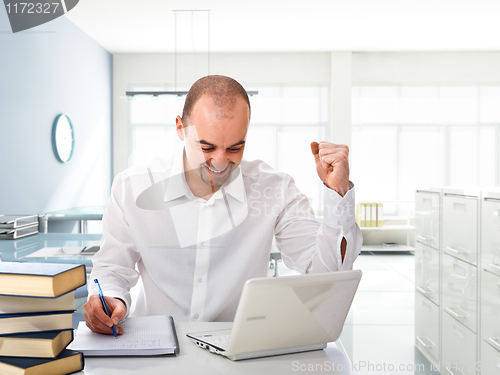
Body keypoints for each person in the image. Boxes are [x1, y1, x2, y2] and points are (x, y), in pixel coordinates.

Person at [84, 75, 362, 335]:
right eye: (206, 147)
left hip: (238, 351)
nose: (219, 162)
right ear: (181, 128)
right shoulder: (132, 187)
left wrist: (337, 191)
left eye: (234, 148)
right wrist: (109, 298)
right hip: (155, 350)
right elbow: (112, 269)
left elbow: (326, 274)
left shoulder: (276, 189)